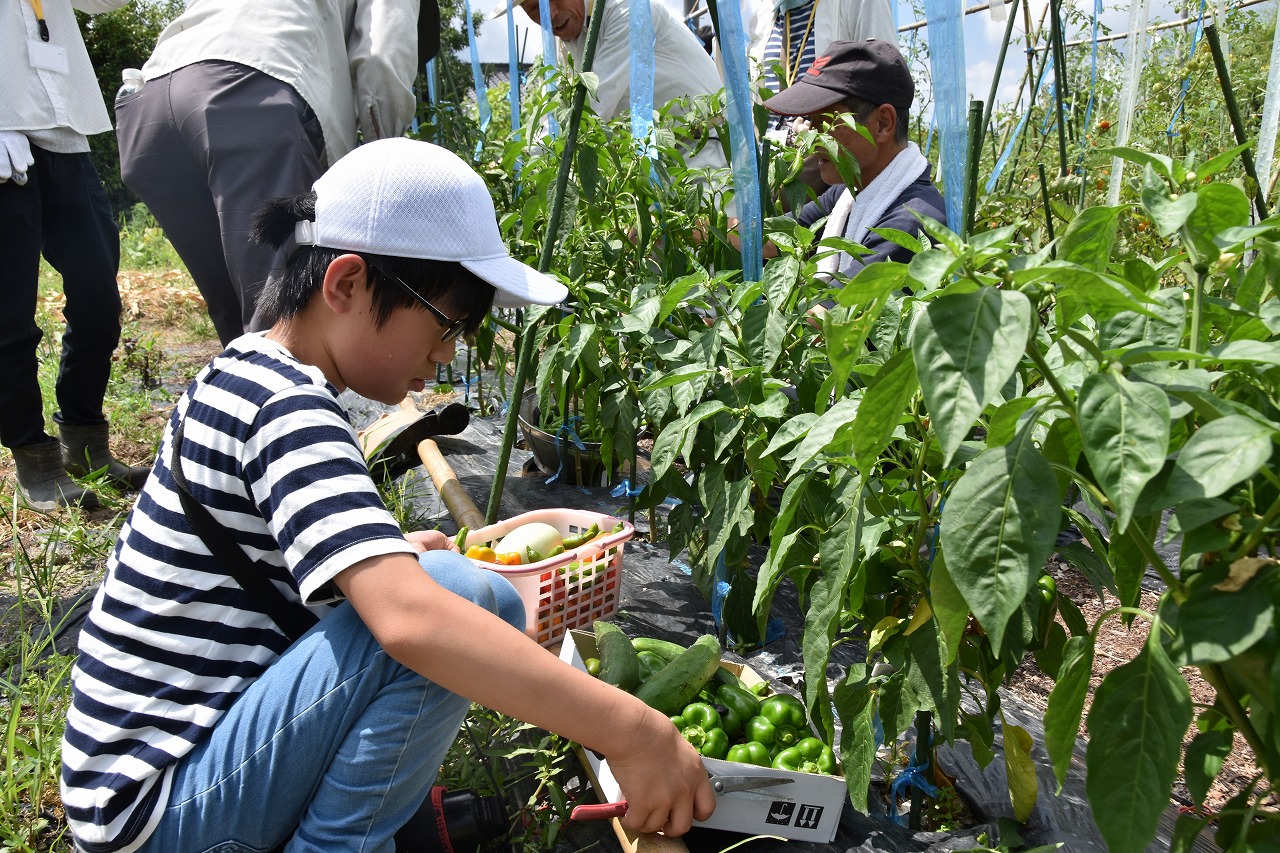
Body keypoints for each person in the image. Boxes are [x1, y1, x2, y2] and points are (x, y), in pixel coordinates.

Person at [61, 138, 716, 852]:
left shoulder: (247, 372)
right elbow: (410, 621)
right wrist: (632, 728)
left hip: (141, 791)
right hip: (164, 813)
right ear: (345, 284)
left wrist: (392, 558)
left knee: (429, 582)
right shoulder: (289, 410)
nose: (447, 354)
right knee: (463, 597)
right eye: (446, 325)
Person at [115, 0, 437, 347]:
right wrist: (380, 165)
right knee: (285, 316)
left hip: (149, 105)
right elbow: (382, 59)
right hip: (250, 93)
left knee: (239, 307)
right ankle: (292, 397)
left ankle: (245, 396)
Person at [2, 0, 150, 512]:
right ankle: (34, 459)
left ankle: (84, 440)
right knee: (9, 315)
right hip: (3, 131)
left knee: (97, 297)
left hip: (64, 132)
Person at [763, 38, 945, 309]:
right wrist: (695, 227)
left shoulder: (910, 221)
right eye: (810, 122)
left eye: (827, 122)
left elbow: (826, 322)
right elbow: (770, 240)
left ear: (883, 123)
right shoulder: (850, 194)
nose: (812, 139)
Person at [516, 0, 728, 171]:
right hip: (658, 160)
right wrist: (524, 151)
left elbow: (593, 107)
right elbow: (561, 107)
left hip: (705, 149)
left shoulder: (626, 9)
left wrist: (529, 154)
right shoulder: (570, 39)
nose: (551, 13)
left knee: (707, 222)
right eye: (535, 8)